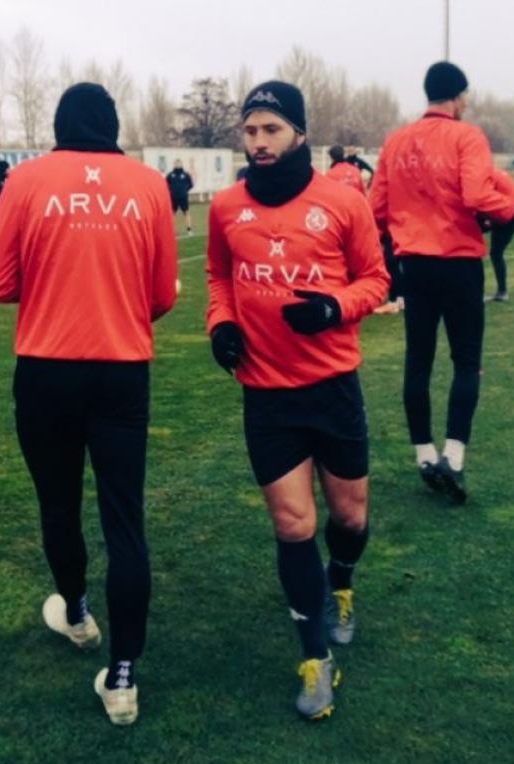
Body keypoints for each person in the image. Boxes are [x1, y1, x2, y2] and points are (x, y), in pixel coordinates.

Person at [0, 83, 178, 727]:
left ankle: (78, 615)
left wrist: (53, 291)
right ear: (113, 125)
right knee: (126, 521)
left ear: (59, 124)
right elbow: (162, 294)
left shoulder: (29, 179)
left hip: (47, 372)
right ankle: (122, 678)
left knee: (58, 504)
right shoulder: (147, 184)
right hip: (122, 371)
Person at [207, 81, 389, 721]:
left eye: (271, 130)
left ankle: (340, 584)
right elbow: (220, 277)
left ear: (299, 134)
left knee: (350, 518)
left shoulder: (342, 202)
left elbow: (377, 278)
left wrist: (334, 307)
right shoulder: (226, 206)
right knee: (293, 525)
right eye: (250, 130)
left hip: (334, 387)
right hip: (267, 394)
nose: (258, 143)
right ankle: (315, 658)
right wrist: (220, 324)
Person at [370, 60, 514, 504]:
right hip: (457, 261)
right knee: (466, 360)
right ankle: (453, 457)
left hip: (414, 264)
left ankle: (423, 454)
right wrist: (508, 210)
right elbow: (476, 195)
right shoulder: (466, 136)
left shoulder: (396, 141)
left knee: (418, 360)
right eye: (466, 96)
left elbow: (374, 207)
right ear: (456, 96)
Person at [483, 169, 514, 302]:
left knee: (495, 253)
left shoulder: (487, 176)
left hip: (507, 213)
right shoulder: (496, 173)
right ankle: (500, 291)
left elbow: (481, 199)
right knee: (494, 253)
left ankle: (501, 291)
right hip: (513, 211)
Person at [165, 159, 194, 235]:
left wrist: (185, 190)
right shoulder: (170, 175)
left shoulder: (185, 174)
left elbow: (191, 184)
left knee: (186, 213)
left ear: (181, 164)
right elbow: (165, 184)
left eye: (179, 163)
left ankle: (189, 230)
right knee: (172, 214)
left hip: (183, 197)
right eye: (176, 163)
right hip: (173, 198)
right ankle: (173, 231)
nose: (178, 164)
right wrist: (170, 191)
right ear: (174, 164)